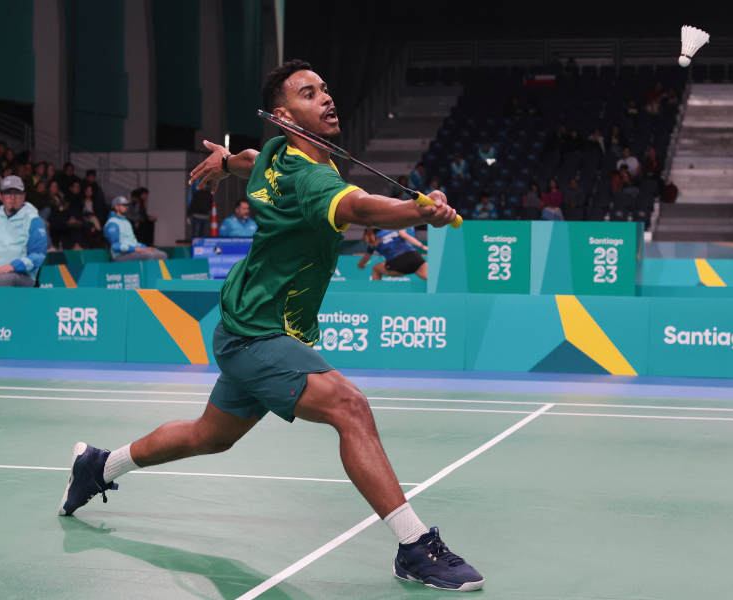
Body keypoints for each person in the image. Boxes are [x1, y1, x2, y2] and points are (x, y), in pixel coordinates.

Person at [59, 60, 482, 593]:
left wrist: (226, 161)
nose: (326, 98)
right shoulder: (310, 178)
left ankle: (99, 466)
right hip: (258, 333)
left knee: (208, 436)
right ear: (284, 114)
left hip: (249, 324)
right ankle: (415, 546)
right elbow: (361, 208)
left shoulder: (279, 157)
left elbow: (252, 160)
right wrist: (419, 211)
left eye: (326, 88)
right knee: (350, 407)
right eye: (310, 93)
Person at [0, 175, 46, 287]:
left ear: (24, 196)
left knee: (3, 279)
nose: (12, 197)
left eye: (17, 193)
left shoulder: (33, 220)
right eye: (8, 193)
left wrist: (13, 266)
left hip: (21, 275)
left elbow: (38, 256)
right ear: (0, 196)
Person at [104, 196, 168, 261]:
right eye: (124, 205)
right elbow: (115, 246)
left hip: (132, 252)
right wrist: (135, 249)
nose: (127, 207)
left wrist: (145, 247)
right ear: (116, 207)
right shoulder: (112, 223)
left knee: (162, 254)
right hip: (120, 255)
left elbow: (133, 242)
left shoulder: (127, 222)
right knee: (149, 255)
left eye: (127, 205)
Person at [358, 227, 428, 281]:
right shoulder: (394, 229)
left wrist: (361, 265)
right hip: (414, 257)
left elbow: (364, 260)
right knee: (429, 277)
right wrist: (422, 246)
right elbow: (407, 237)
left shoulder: (372, 242)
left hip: (397, 264)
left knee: (375, 268)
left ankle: (377, 293)